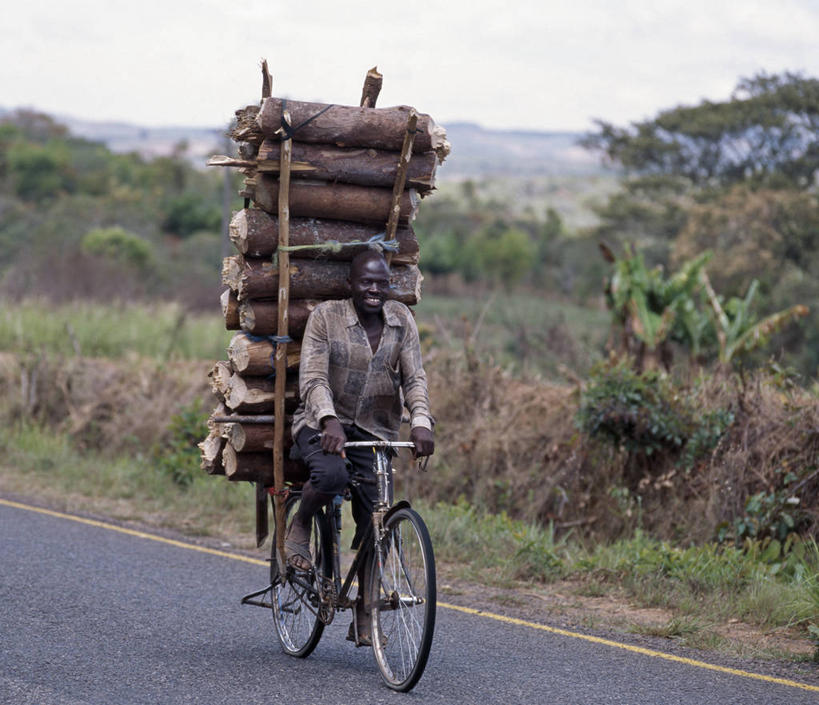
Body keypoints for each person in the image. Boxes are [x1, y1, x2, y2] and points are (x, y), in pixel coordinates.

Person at [286, 248, 435, 645]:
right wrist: (328, 419)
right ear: (351, 284)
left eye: (381, 283)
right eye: (366, 282)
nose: (374, 290)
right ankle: (300, 523)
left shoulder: (401, 320)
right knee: (331, 474)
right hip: (322, 424)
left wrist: (420, 421)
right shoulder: (326, 318)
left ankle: (365, 615)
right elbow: (313, 379)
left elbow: (415, 378)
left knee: (378, 518)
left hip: (374, 431)